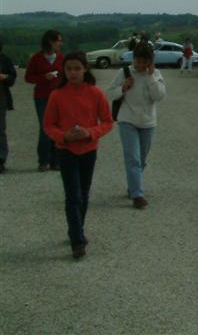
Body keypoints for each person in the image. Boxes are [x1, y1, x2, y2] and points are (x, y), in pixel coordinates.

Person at [43, 51, 113, 259]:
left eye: (77, 68)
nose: (73, 73)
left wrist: (90, 132)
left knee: (83, 193)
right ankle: (77, 241)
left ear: (85, 69)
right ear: (64, 71)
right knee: (73, 195)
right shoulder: (57, 95)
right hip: (66, 151)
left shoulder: (95, 93)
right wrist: (63, 136)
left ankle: (76, 229)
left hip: (88, 150)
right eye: (69, 69)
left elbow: (107, 121)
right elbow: (48, 125)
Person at [107, 43, 166, 210]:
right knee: (133, 158)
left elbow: (159, 96)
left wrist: (151, 77)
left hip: (148, 122)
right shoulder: (124, 72)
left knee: (141, 159)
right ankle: (137, 195)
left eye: (144, 62)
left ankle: (133, 185)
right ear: (133, 59)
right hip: (127, 120)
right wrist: (123, 87)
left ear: (150, 61)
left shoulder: (155, 74)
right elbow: (110, 93)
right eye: (137, 61)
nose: (140, 65)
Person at [25, 30, 64, 171]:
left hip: (58, 97)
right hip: (42, 97)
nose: (60, 43)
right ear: (50, 41)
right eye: (58, 40)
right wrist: (43, 77)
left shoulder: (61, 58)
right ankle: (43, 161)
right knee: (45, 127)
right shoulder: (37, 58)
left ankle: (56, 161)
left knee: (58, 127)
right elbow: (28, 77)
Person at [0, 39, 18, 174]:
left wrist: (5, 77)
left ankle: (0, 160)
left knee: (0, 131)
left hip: (1, 99)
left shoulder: (5, 60)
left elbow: (12, 79)